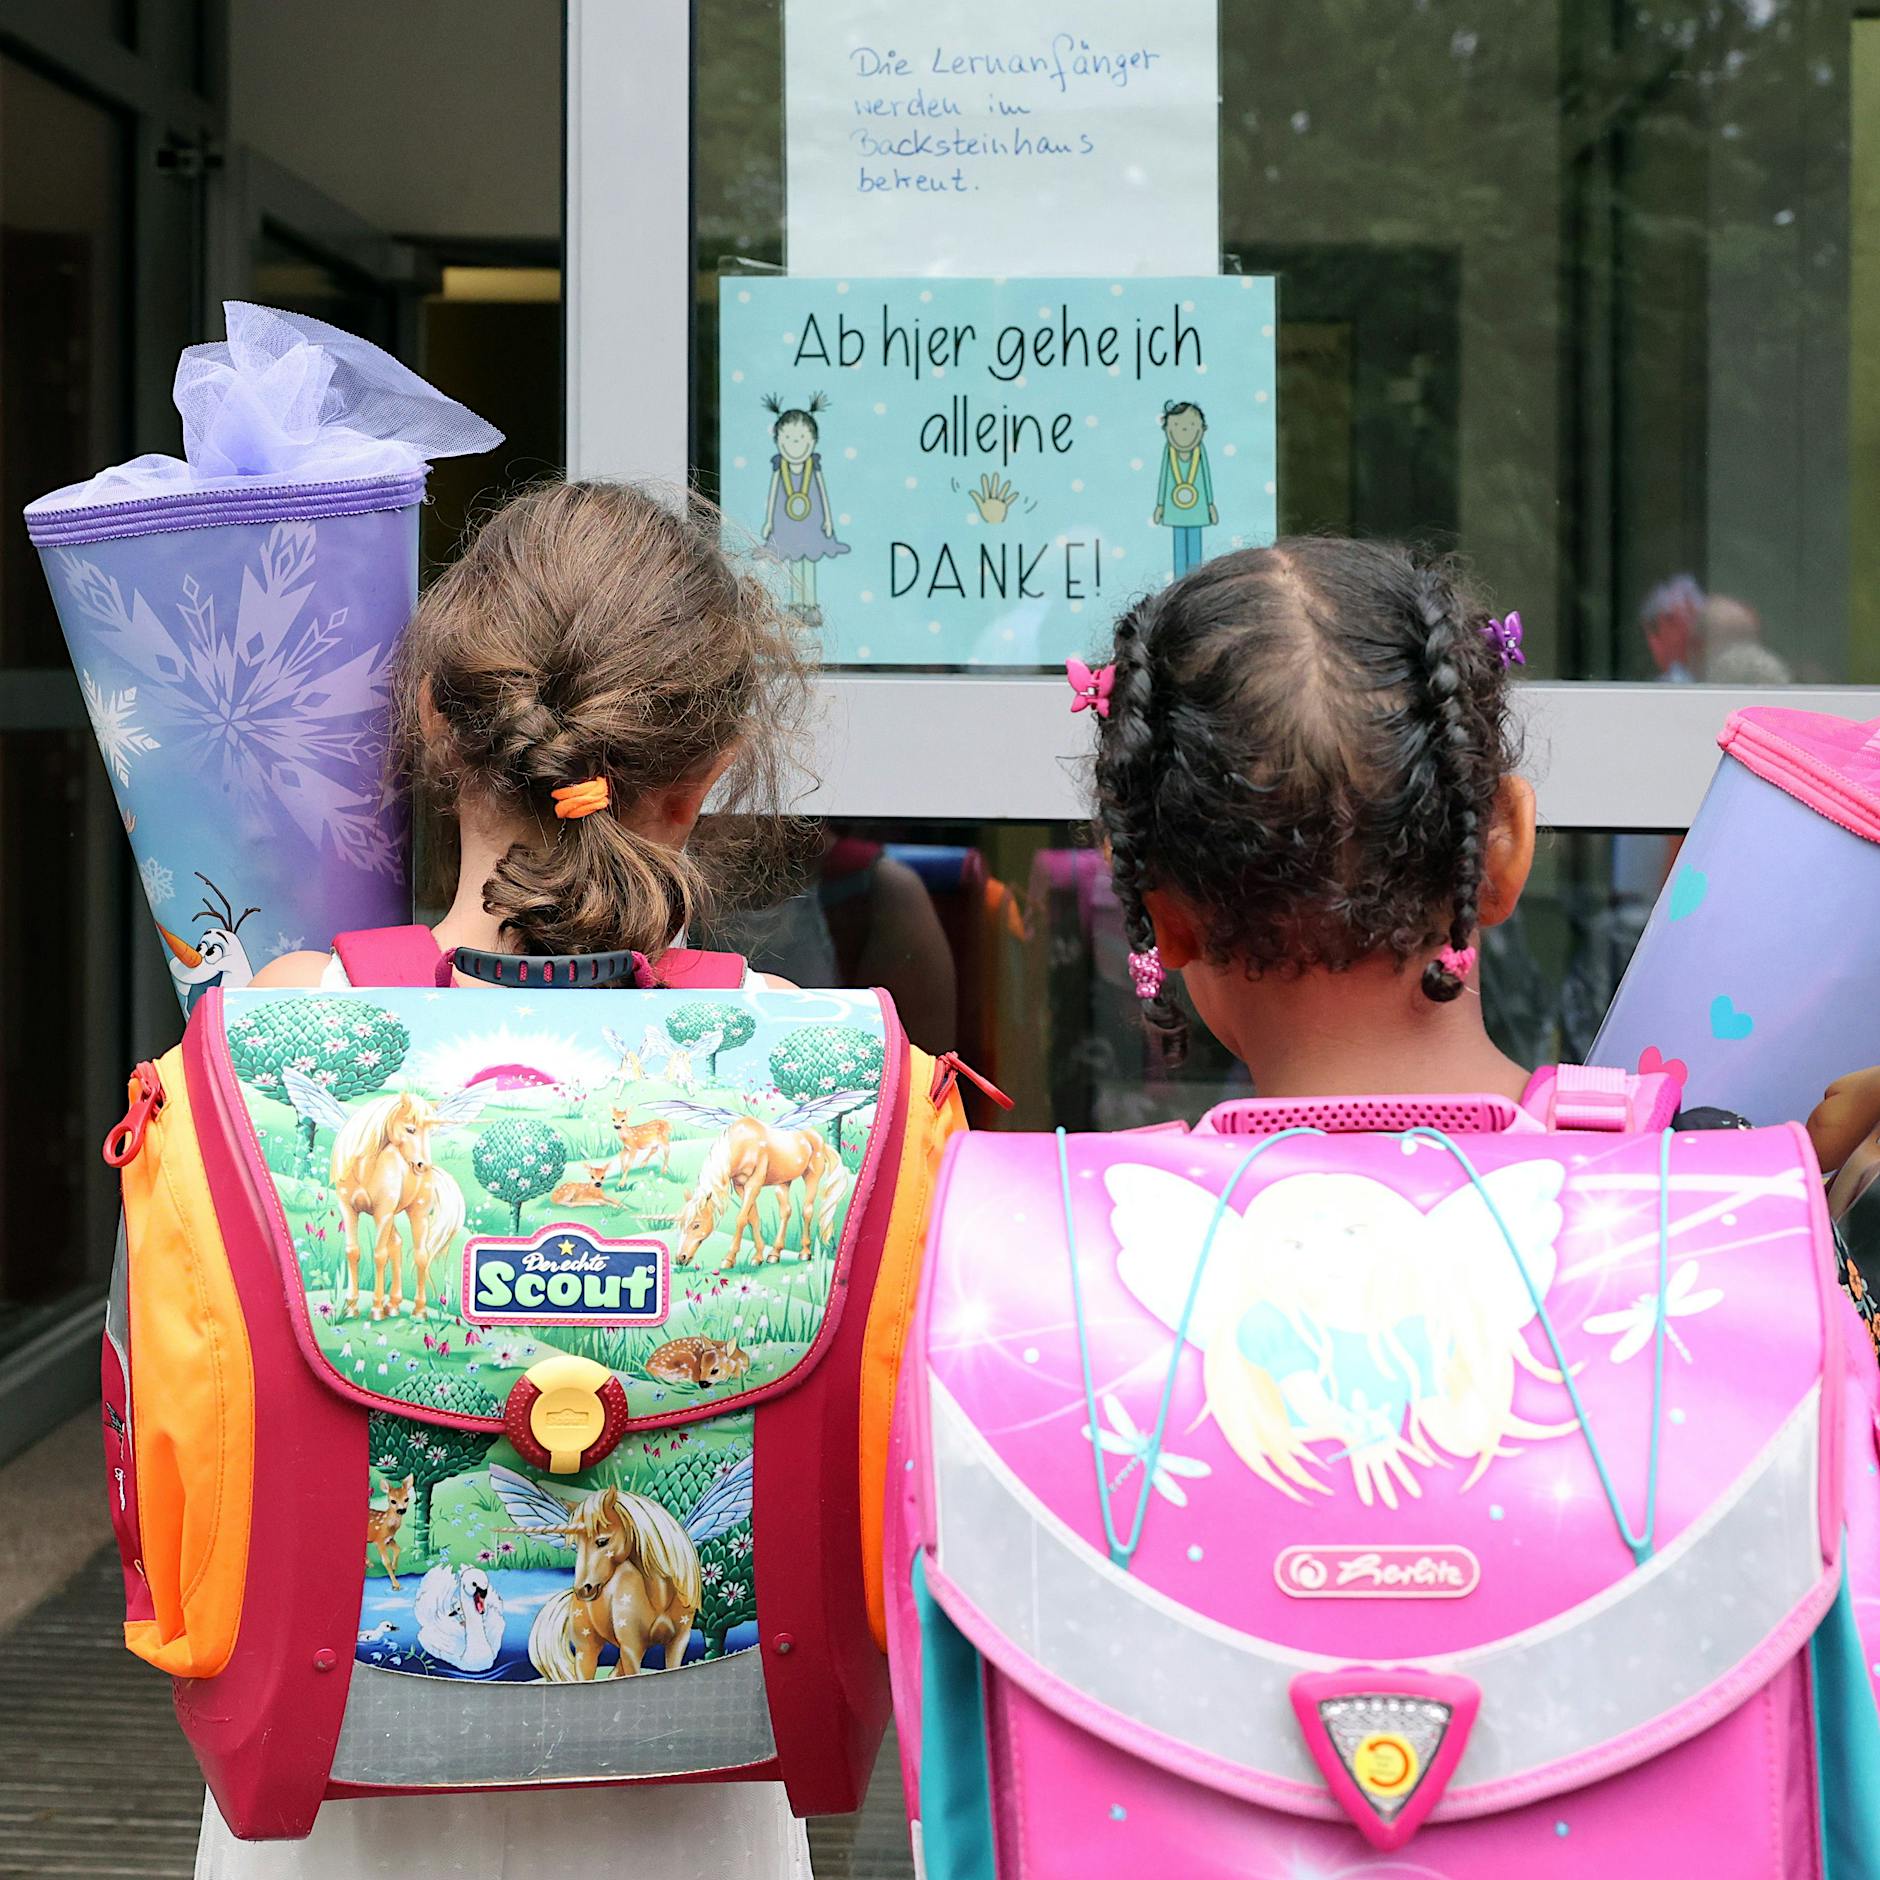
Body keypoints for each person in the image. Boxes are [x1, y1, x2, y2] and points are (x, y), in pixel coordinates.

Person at [208, 479, 815, 1878]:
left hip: (330, 1797)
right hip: (697, 1795)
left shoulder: (269, 1031)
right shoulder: (794, 1049)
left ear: (433, 718)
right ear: (709, 770)